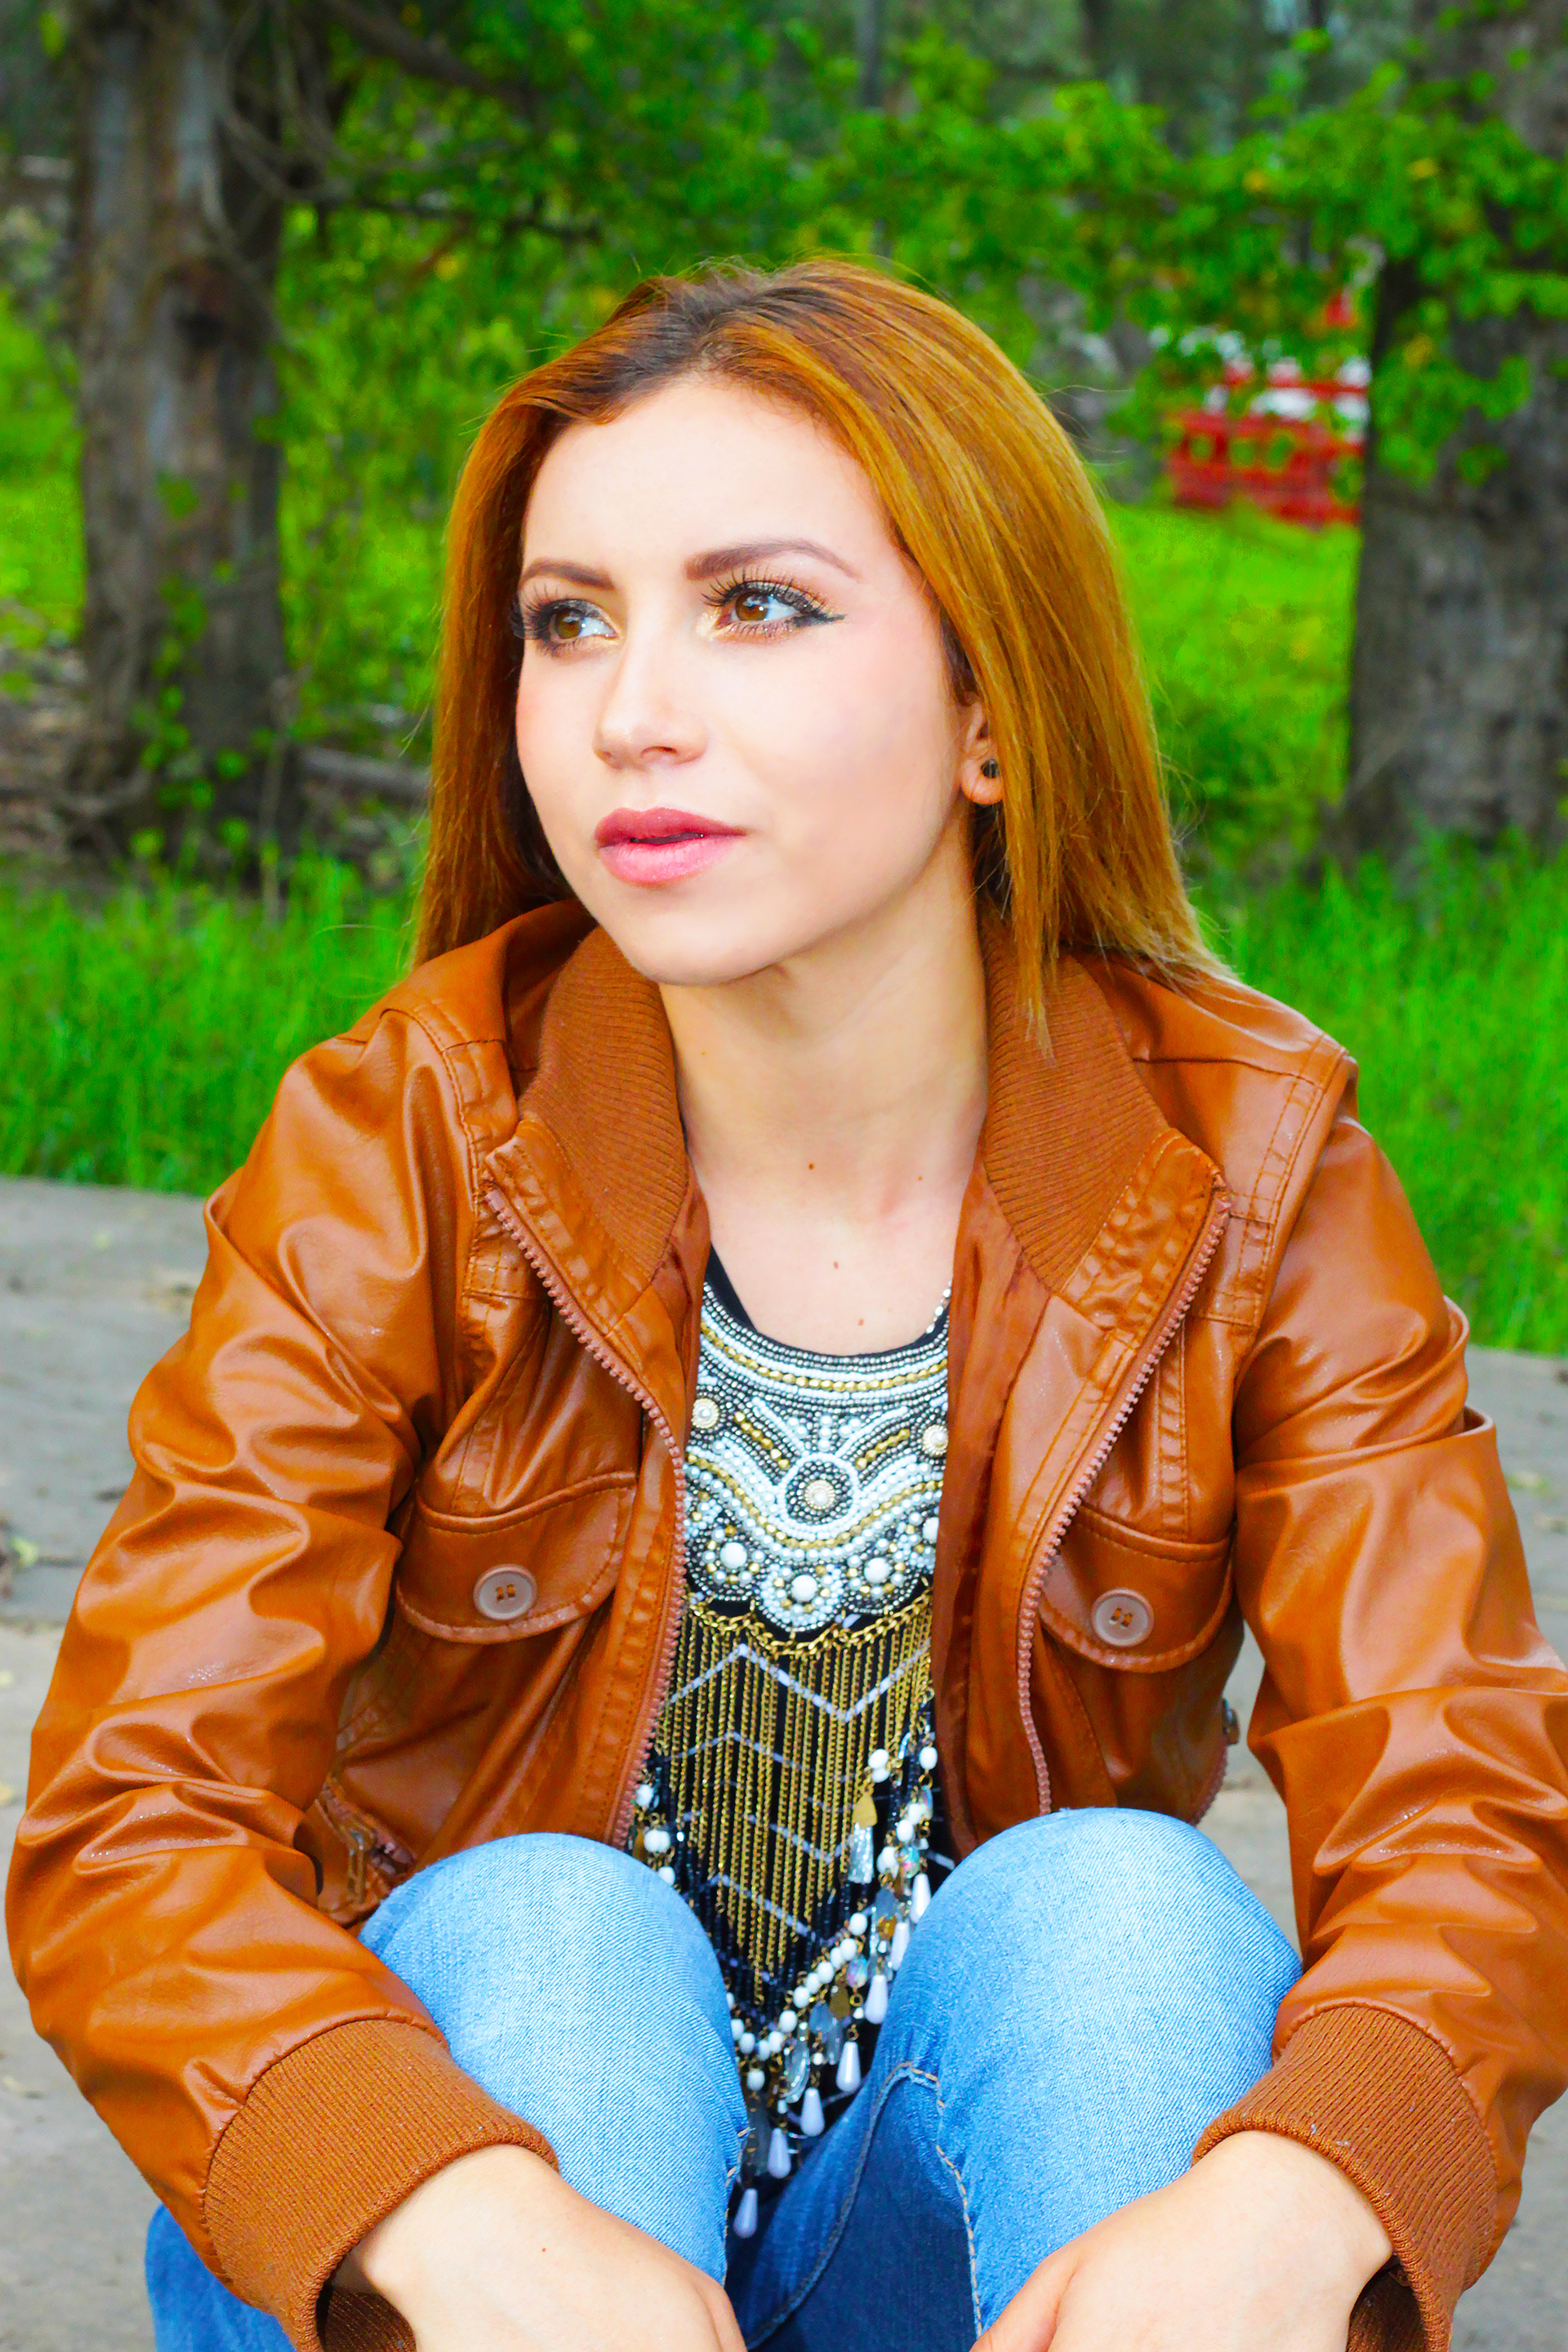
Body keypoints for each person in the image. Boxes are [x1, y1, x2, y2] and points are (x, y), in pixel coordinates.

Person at [7, 260, 1567, 2352]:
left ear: (992, 709)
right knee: (554, 1932)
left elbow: (1465, 1796)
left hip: (932, 2228)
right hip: (467, 2232)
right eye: (571, 621)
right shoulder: (401, 1143)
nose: (630, 711)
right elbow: (136, 1817)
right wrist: (447, 2206)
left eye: (758, 605)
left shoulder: (1250, 1171)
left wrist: (1311, 2186)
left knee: (1121, 1915)